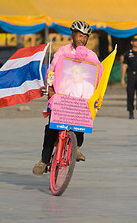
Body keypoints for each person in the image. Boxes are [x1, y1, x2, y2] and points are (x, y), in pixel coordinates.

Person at [33, 20, 101, 175]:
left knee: (81, 123)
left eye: (85, 36)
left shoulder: (91, 55)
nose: (82, 39)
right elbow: (52, 70)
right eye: (79, 36)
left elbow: (97, 76)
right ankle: (44, 160)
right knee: (52, 128)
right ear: (72, 35)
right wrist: (50, 88)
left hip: (80, 99)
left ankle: (76, 147)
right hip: (61, 95)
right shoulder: (63, 51)